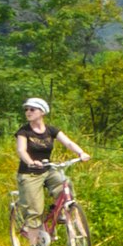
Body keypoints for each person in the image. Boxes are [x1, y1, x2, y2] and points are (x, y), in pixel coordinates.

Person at [13, 95, 90, 236]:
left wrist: (81, 153)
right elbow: (21, 150)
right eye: (26, 109)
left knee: (65, 186)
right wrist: (31, 162)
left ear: (42, 112)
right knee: (35, 209)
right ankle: (33, 241)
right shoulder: (23, 132)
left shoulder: (51, 130)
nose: (28, 112)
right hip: (29, 172)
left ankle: (60, 212)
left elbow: (68, 143)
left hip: (47, 169)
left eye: (32, 109)